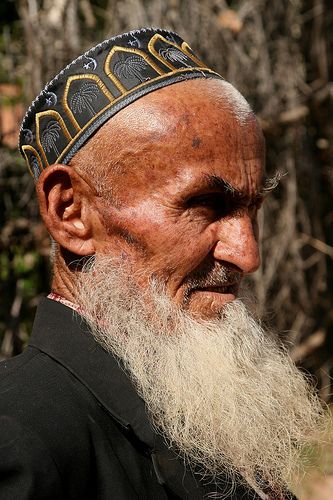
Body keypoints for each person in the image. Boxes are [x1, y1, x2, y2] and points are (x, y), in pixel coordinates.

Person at [0, 27, 324, 499]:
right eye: (206, 205)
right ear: (72, 213)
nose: (247, 254)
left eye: (252, 208)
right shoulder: (20, 437)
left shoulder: (197, 415)